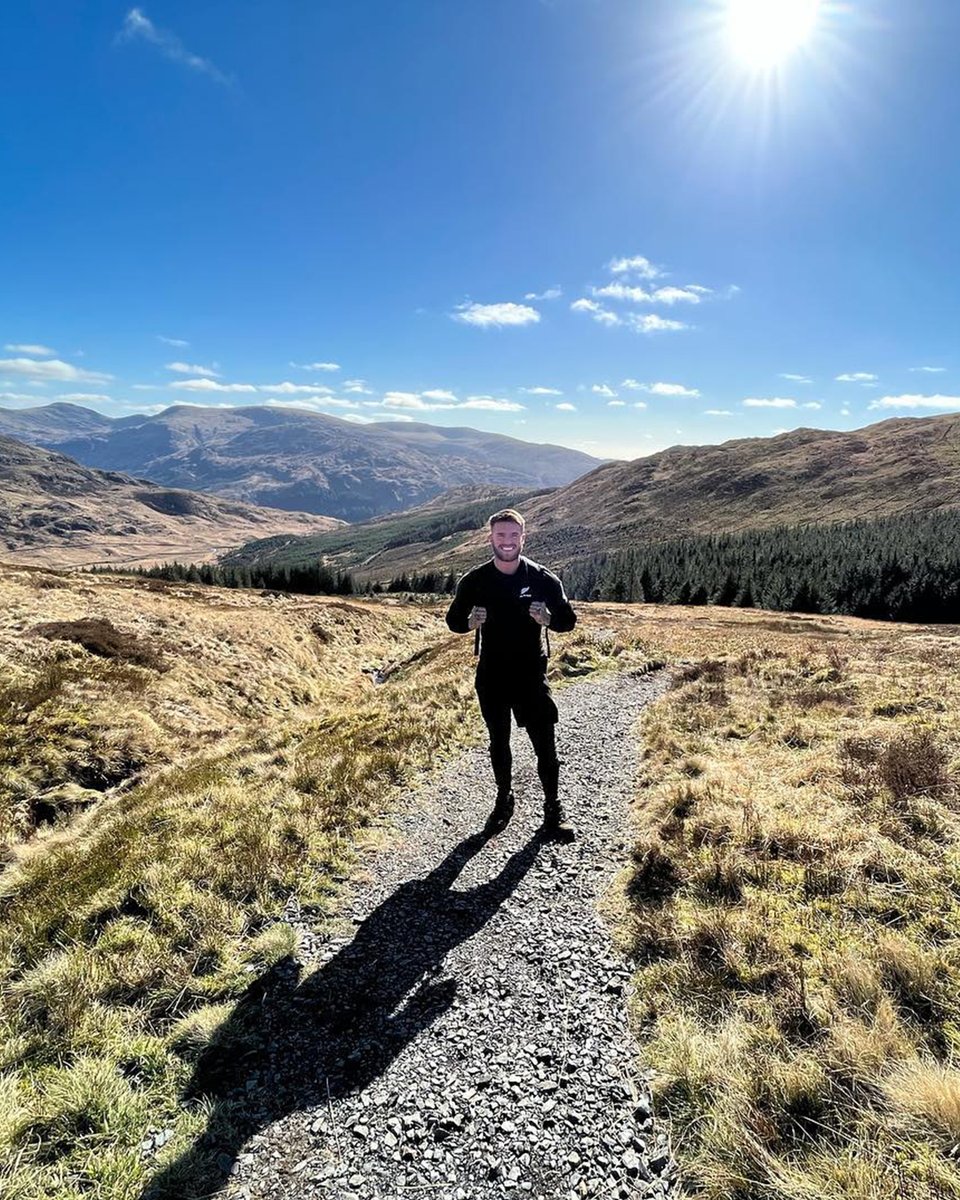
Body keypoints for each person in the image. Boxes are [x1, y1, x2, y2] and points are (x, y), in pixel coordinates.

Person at [445, 509, 577, 841]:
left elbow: (568, 620)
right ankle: (504, 798)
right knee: (498, 743)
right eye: (501, 535)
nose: (507, 542)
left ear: (523, 538)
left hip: (531, 674)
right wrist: (470, 624)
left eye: (513, 535)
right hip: (492, 675)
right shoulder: (474, 580)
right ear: (490, 538)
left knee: (545, 746)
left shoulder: (542, 578)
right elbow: (454, 621)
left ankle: (553, 809)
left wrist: (548, 619)